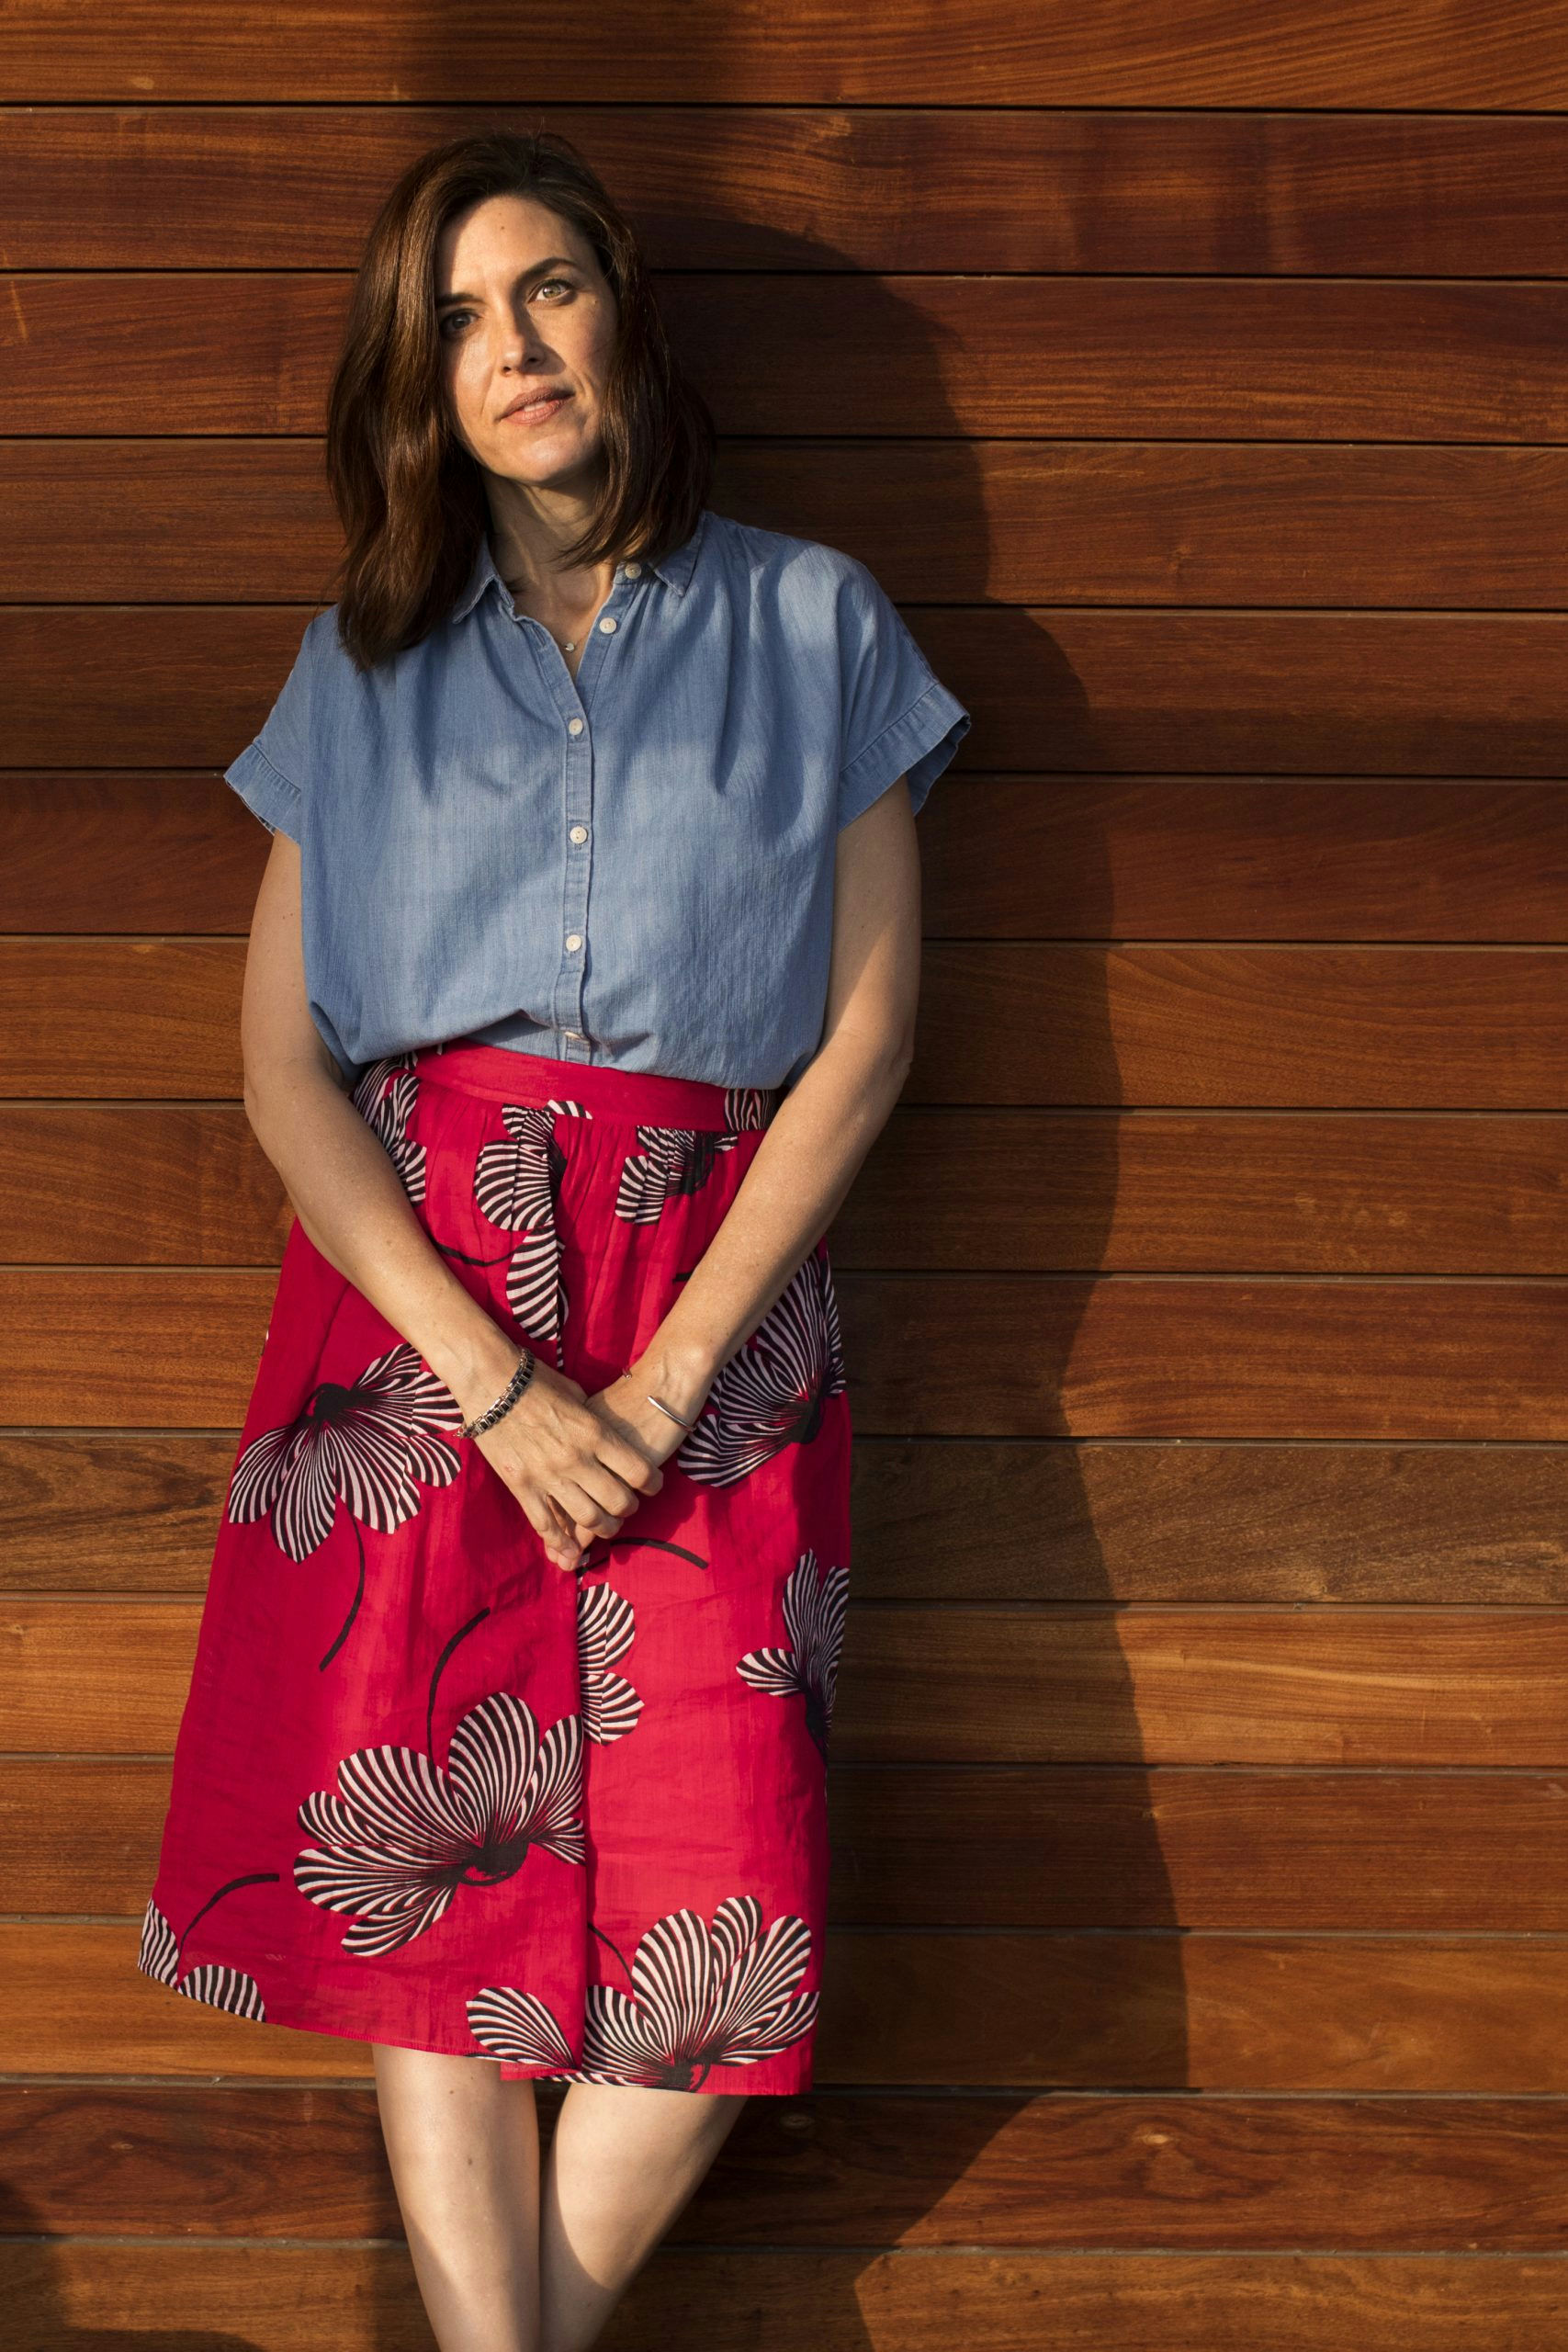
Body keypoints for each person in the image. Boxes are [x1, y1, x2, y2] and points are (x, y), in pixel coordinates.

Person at [135, 127, 970, 2351]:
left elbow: (869, 1036)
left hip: (714, 1298)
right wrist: (489, 1381)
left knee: (726, 1899)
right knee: (429, 1885)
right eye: (455, 319)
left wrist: (667, 1374)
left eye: (544, 291)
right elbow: (281, 1066)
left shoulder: (818, 620)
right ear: (418, 382)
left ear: (619, 312)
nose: (508, 348)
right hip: (419, 1303)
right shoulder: (362, 660)